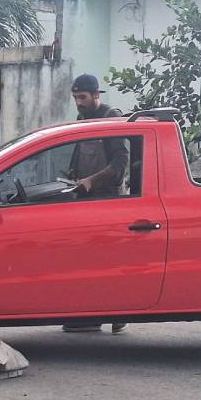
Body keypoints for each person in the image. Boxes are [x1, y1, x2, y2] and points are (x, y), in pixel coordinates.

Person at [63, 73, 130, 335]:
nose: (78, 103)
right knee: (84, 262)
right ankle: (88, 317)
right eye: (75, 98)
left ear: (96, 95)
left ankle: (118, 314)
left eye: (82, 97)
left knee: (108, 263)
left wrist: (90, 181)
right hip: (85, 201)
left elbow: (119, 166)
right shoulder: (82, 119)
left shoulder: (111, 118)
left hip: (108, 202)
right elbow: (78, 154)